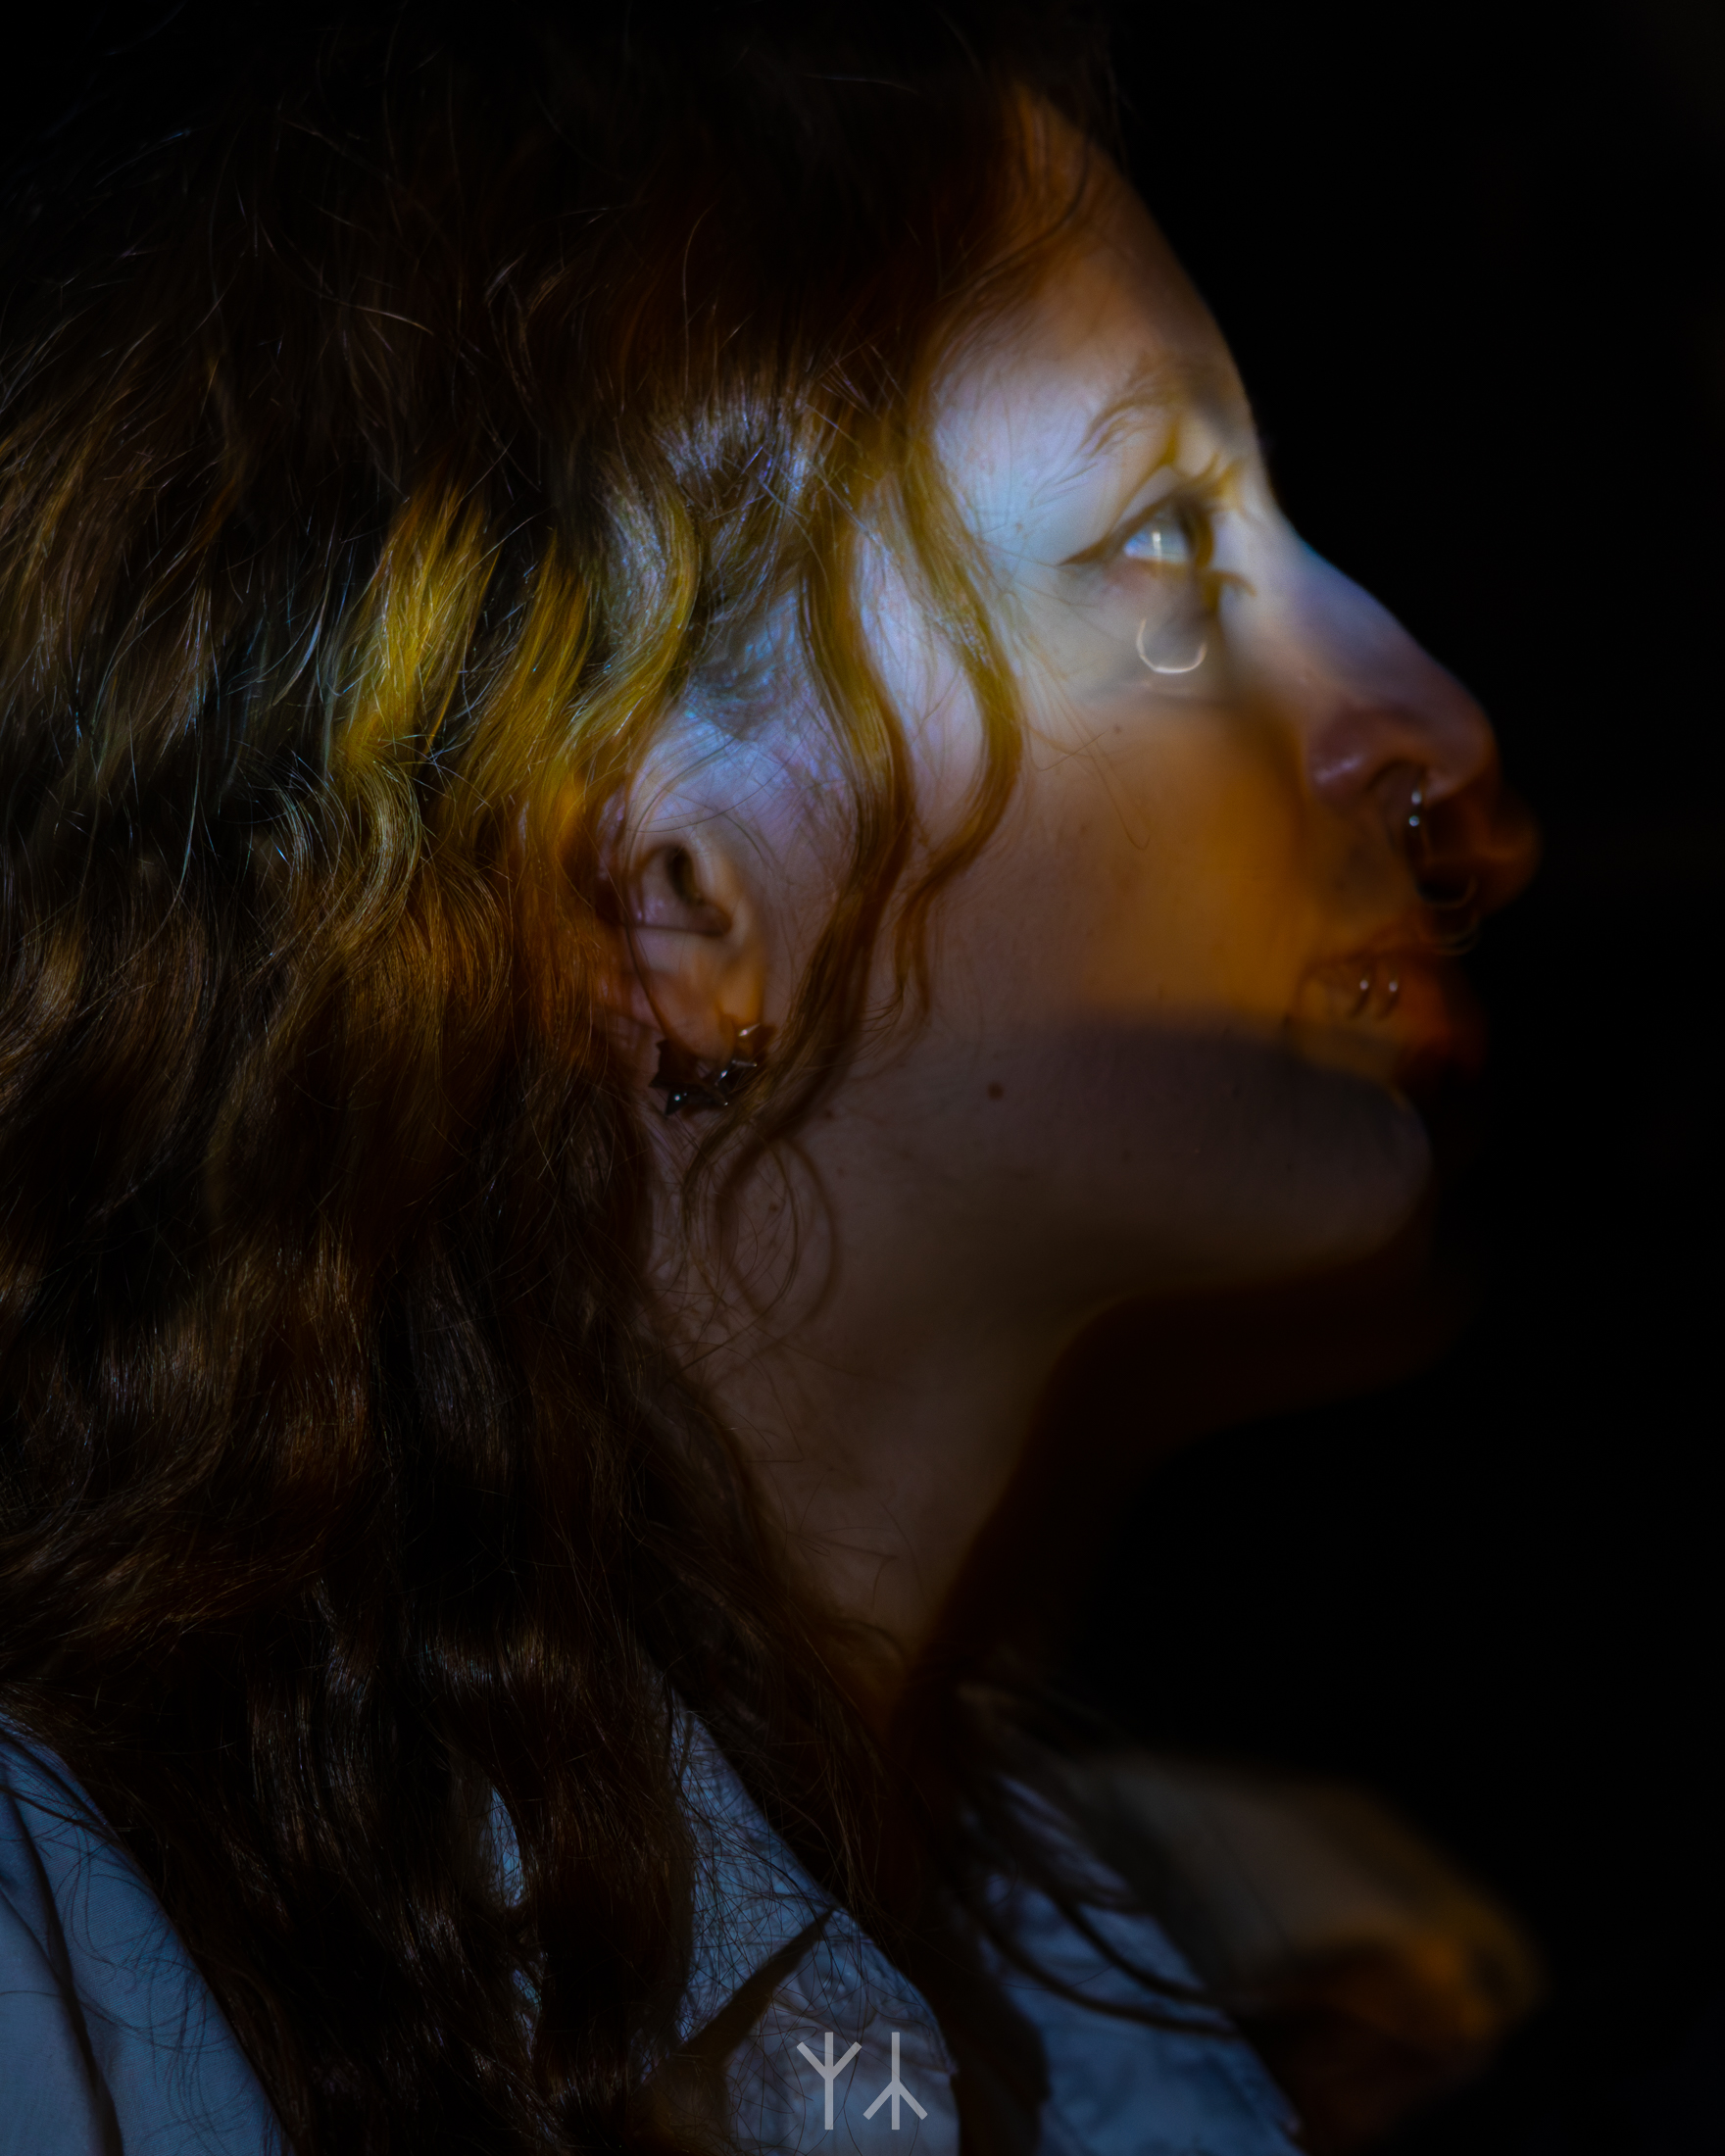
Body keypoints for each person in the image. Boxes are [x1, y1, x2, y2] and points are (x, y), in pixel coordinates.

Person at [0, 7, 1537, 2152]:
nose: (1434, 726)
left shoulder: (1073, 2005)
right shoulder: (61, 1979)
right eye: (1166, 558)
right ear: (670, 903)